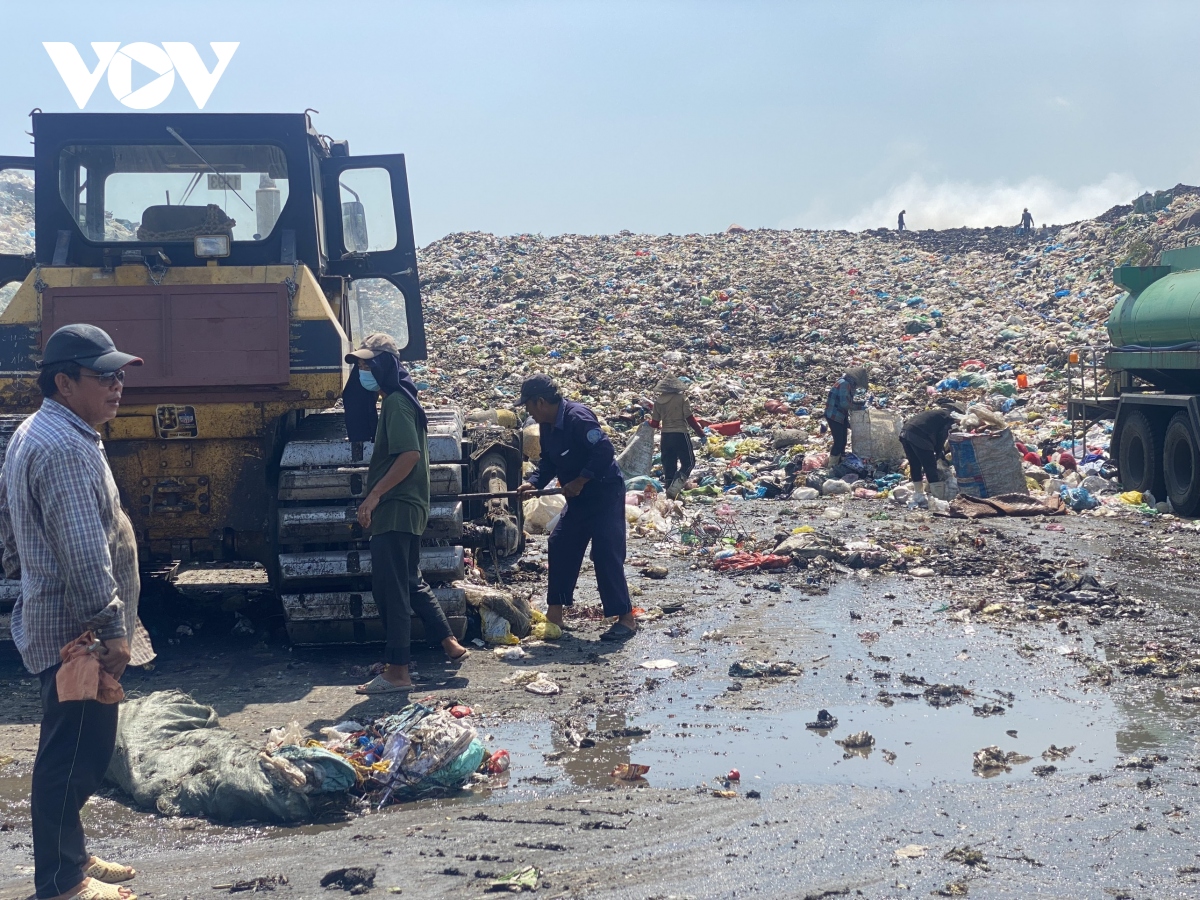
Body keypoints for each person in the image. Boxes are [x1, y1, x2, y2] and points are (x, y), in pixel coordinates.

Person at [0, 324, 154, 900]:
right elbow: (86, 553)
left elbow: (14, 532)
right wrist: (112, 630)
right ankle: (62, 883)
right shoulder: (64, 447)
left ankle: (75, 857)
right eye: (103, 376)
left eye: (120, 374)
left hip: (63, 619)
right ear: (63, 382)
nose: (118, 386)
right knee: (75, 756)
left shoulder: (46, 431)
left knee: (75, 746)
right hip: (78, 630)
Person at [348, 333, 469, 694]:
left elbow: (409, 456)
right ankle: (449, 643)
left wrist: (373, 497)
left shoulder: (398, 403)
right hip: (408, 507)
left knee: (392, 590)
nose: (364, 371)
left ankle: (397, 672)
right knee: (411, 583)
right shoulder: (402, 400)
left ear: (386, 364)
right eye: (361, 365)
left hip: (396, 508)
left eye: (369, 364)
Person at [516, 374, 637, 641]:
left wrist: (581, 479)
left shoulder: (577, 418)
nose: (528, 412)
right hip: (578, 499)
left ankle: (625, 618)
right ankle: (555, 614)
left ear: (541, 402)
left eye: (529, 406)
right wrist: (533, 483)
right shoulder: (546, 426)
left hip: (604, 493)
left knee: (606, 552)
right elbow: (549, 461)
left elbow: (604, 451)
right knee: (561, 544)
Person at [649, 375, 705, 499]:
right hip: (680, 434)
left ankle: (670, 494)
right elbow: (690, 418)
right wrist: (701, 433)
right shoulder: (682, 399)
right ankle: (675, 488)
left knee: (669, 465)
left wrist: (646, 424)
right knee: (689, 463)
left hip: (665, 436)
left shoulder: (658, 401)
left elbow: (654, 423)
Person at [899, 404, 960, 506]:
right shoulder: (948, 419)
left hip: (905, 432)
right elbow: (941, 436)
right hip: (918, 435)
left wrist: (938, 452)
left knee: (915, 464)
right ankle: (938, 498)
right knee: (930, 465)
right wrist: (938, 451)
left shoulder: (937, 414)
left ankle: (918, 494)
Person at [823, 367, 868, 466]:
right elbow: (845, 404)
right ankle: (832, 465)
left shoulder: (845, 382)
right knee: (839, 442)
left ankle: (840, 462)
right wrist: (858, 407)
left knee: (843, 440)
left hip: (839, 415)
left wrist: (858, 403)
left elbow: (846, 401)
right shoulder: (845, 384)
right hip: (834, 415)